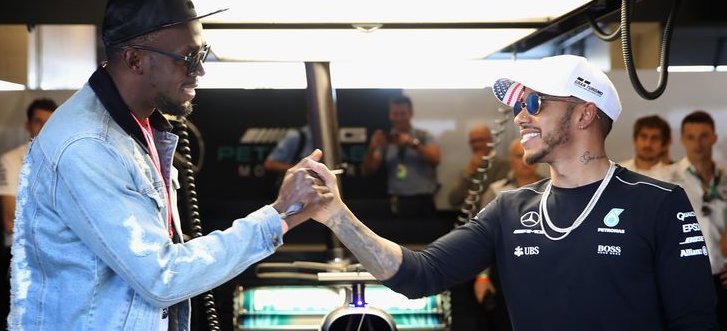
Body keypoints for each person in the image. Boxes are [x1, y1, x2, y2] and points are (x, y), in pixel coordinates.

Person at [8, 0, 332, 330]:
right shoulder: (88, 146)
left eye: (203, 53)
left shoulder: (141, 126)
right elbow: (161, 277)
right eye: (189, 58)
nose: (201, 70)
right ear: (134, 60)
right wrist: (278, 213)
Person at [308, 55, 718, 330]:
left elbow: (695, 320)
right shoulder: (507, 208)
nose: (521, 116)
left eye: (535, 102)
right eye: (519, 104)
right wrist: (337, 215)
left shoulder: (659, 202)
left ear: (584, 113)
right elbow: (421, 275)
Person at [471, 139, 543, 331]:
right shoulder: (496, 192)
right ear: (511, 160)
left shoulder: (553, 188)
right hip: (505, 271)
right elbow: (482, 239)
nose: (526, 160)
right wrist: (482, 277)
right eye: (519, 156)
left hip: (544, 271)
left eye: (531, 153)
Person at [670, 110, 727, 328]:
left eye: (704, 136)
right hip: (684, 277)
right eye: (691, 137)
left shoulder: (724, 177)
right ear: (682, 140)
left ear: (714, 137)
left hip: (721, 278)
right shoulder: (667, 178)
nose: (698, 143)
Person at [362, 95, 441, 217]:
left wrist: (413, 144)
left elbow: (435, 160)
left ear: (410, 114)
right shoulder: (386, 140)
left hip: (423, 201)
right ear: (390, 114)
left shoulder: (423, 136)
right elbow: (369, 169)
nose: (398, 118)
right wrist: (372, 147)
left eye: (403, 113)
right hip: (397, 203)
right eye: (395, 113)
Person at [0, 98, 58, 247]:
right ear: (27, 125)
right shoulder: (10, 160)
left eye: (49, 122)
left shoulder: (64, 159)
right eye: (38, 121)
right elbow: (11, 220)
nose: (44, 127)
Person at [448, 124, 511, 209]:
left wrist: (470, 197)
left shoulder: (503, 165)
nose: (477, 145)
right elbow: (453, 200)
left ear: (490, 140)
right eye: (473, 141)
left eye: (480, 140)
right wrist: (469, 173)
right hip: (471, 220)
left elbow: (495, 198)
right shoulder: (469, 168)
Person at [618, 114, 673, 180]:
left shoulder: (673, 176)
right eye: (644, 137)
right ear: (634, 140)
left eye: (655, 138)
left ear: (664, 144)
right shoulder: (618, 172)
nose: (648, 144)